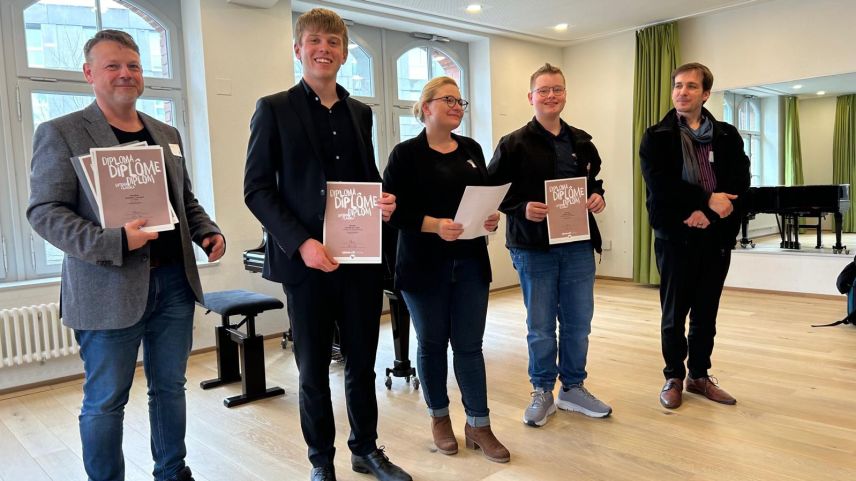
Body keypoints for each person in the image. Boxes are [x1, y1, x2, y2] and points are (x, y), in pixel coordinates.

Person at [26, 30, 225, 481]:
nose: (125, 74)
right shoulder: (61, 133)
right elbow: (44, 213)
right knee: (106, 400)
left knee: (170, 389)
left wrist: (206, 231)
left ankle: (172, 471)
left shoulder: (166, 134)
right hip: (106, 289)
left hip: (174, 284)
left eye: (133, 66)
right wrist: (112, 241)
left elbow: (184, 201)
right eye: (113, 65)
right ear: (89, 73)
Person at [243, 8, 411, 481]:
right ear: (299, 49)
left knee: (361, 363)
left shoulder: (360, 113)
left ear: (342, 53)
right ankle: (322, 462)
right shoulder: (273, 108)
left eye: (334, 43)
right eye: (314, 40)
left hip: (359, 262)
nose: (324, 49)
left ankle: (366, 450)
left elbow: (365, 179)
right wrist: (301, 244)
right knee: (314, 371)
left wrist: (384, 201)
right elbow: (257, 189)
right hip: (307, 265)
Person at [383, 77, 510, 463]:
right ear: (426, 108)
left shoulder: (471, 149)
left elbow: (485, 199)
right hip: (422, 265)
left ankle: (479, 424)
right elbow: (392, 212)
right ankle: (439, 418)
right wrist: (434, 225)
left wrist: (491, 219)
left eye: (460, 100)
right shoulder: (405, 155)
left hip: (470, 261)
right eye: (448, 99)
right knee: (433, 343)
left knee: (470, 346)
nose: (457, 106)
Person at [487, 63, 611, 427]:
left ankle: (573, 388)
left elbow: (594, 183)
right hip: (532, 248)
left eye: (557, 89)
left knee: (578, 323)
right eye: (543, 90)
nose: (551, 95)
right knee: (540, 325)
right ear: (531, 97)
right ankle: (542, 390)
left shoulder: (583, 141)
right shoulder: (512, 144)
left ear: (565, 94)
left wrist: (597, 197)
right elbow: (493, 192)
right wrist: (521, 207)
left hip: (577, 245)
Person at [640, 62, 750, 409]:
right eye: (677, 86)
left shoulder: (728, 135)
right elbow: (661, 185)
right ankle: (673, 375)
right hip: (675, 234)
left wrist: (710, 214)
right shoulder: (656, 136)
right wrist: (704, 201)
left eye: (690, 86)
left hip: (714, 236)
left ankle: (699, 376)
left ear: (705, 94)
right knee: (674, 312)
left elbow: (739, 182)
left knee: (706, 311)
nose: (681, 92)